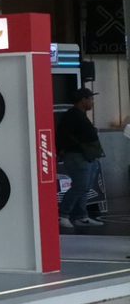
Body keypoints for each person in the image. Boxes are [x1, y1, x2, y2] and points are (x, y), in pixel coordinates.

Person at [57, 87, 104, 229]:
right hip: (78, 156)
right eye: (90, 99)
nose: (92, 102)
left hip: (86, 157)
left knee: (85, 187)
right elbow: (64, 136)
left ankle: (81, 216)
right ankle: (63, 215)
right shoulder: (73, 115)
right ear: (83, 100)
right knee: (80, 186)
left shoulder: (79, 115)